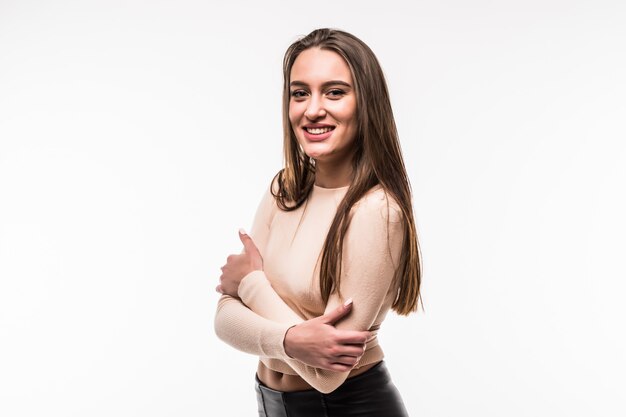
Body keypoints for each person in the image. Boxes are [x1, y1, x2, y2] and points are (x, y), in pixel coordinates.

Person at [214, 28, 422, 417]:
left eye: (335, 92)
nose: (312, 110)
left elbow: (328, 374)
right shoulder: (285, 189)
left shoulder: (375, 211)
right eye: (299, 93)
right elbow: (224, 319)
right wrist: (295, 339)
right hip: (271, 405)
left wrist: (251, 284)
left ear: (367, 103)